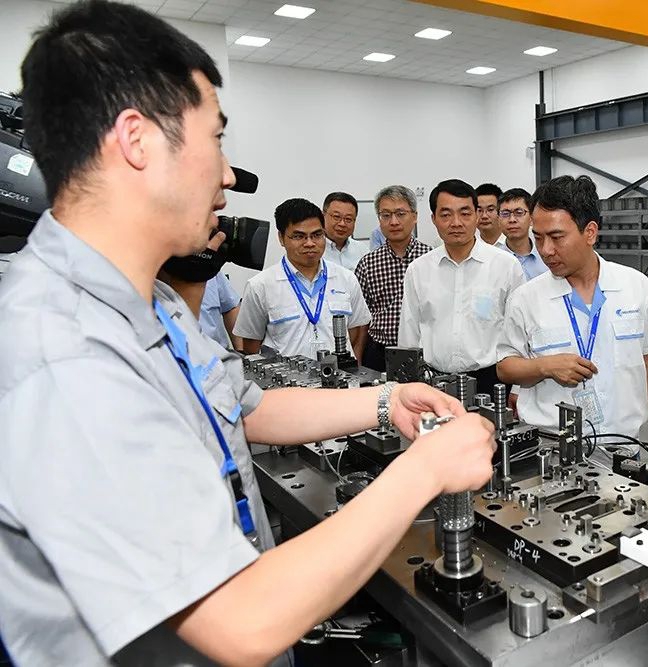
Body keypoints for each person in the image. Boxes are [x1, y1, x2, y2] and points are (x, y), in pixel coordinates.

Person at [0, 4, 496, 665]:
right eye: (215, 139)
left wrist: (386, 400)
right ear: (136, 140)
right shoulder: (63, 351)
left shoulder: (151, 303)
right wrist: (425, 469)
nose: (228, 174)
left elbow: (246, 407)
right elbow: (239, 619)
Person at [497, 175, 648, 466]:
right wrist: (545, 366)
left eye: (557, 237)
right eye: (538, 237)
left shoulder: (635, 287)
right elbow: (506, 367)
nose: (545, 250)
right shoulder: (526, 298)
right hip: (551, 454)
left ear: (590, 232)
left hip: (623, 451)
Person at [399, 179, 525, 391]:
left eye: (465, 213)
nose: (456, 222)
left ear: (477, 216)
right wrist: (408, 386)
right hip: (433, 381)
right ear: (433, 219)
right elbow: (408, 334)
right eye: (446, 215)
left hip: (491, 380)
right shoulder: (418, 270)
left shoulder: (506, 266)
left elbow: (520, 330)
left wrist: (518, 389)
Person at [234, 198, 370, 359]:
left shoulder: (346, 278)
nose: (310, 243)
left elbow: (355, 331)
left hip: (339, 373)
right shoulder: (261, 285)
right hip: (288, 375)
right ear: (281, 238)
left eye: (317, 235)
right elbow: (251, 345)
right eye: (299, 236)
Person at [354, 185, 432, 372]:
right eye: (386, 215)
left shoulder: (431, 259)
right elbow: (361, 318)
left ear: (414, 216)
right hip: (379, 352)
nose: (393, 221)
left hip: (425, 351)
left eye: (400, 214)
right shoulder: (368, 263)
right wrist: (358, 359)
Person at [499, 187, 547, 281]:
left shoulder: (547, 255)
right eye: (505, 214)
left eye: (519, 212)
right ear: (498, 219)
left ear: (531, 218)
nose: (512, 219)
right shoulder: (493, 260)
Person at [322, 191, 367, 270]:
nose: (342, 224)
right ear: (323, 216)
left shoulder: (362, 250)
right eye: (336, 217)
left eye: (348, 219)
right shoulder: (313, 250)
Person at [475, 182, 505, 247]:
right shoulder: (469, 245)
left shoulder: (512, 242)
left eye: (490, 210)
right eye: (479, 210)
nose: (484, 216)